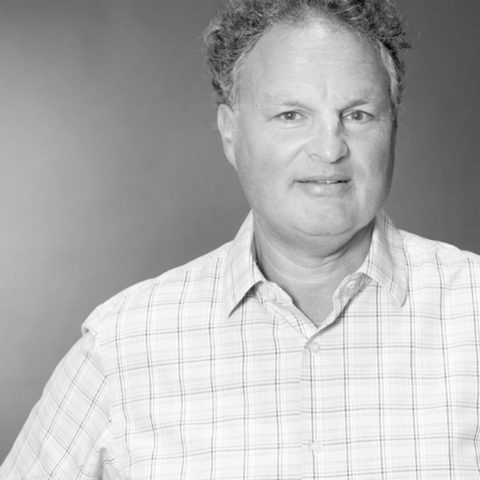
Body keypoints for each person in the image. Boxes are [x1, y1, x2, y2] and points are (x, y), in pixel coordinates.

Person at [2, 0, 480, 478]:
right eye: (291, 115)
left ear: (392, 126)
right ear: (230, 133)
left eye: (357, 114)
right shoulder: (122, 348)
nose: (330, 148)